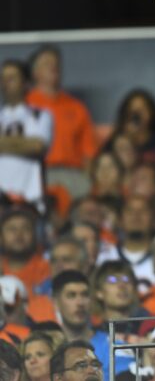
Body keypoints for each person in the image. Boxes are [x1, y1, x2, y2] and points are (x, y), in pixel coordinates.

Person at [26, 45, 97, 198]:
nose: (53, 67)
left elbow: (89, 152)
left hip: (72, 174)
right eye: (47, 63)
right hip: (36, 173)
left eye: (56, 64)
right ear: (35, 72)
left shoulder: (77, 107)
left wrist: (85, 178)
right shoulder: (24, 105)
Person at [52, 270, 133, 376]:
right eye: (71, 295)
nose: (80, 302)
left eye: (85, 295)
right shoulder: (48, 350)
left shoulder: (115, 347)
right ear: (56, 303)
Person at [0, 59, 52, 210]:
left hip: (30, 197)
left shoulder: (40, 115)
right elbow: (30, 144)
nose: (5, 83)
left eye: (12, 78)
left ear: (25, 83)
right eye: (3, 78)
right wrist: (22, 143)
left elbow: (37, 146)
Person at [99, 196, 155, 292]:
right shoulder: (104, 257)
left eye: (143, 211)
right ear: (120, 220)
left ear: (154, 220)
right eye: (130, 211)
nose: (136, 216)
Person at [113, 89, 155, 167]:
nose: (138, 116)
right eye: (134, 112)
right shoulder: (122, 136)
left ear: (151, 111)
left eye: (142, 110)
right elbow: (119, 165)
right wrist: (128, 137)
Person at [0, 206, 50, 296]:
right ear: (1, 237)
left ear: (35, 236)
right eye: (12, 229)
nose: (19, 234)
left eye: (26, 228)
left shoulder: (47, 269)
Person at [91, 261, 148, 336]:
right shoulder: (90, 332)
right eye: (112, 280)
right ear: (99, 292)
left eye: (126, 279)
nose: (122, 285)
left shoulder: (147, 327)